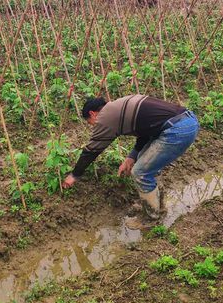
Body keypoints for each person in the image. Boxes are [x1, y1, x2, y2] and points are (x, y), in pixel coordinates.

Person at [62, 94, 199, 219]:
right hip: (184, 121)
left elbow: (92, 150)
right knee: (147, 165)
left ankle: (151, 217)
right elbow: (145, 131)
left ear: (93, 114)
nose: (92, 126)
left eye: (89, 122)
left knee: (140, 172)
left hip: (177, 130)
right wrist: (131, 157)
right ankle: (158, 205)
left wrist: (74, 175)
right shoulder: (118, 105)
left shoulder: (105, 117)